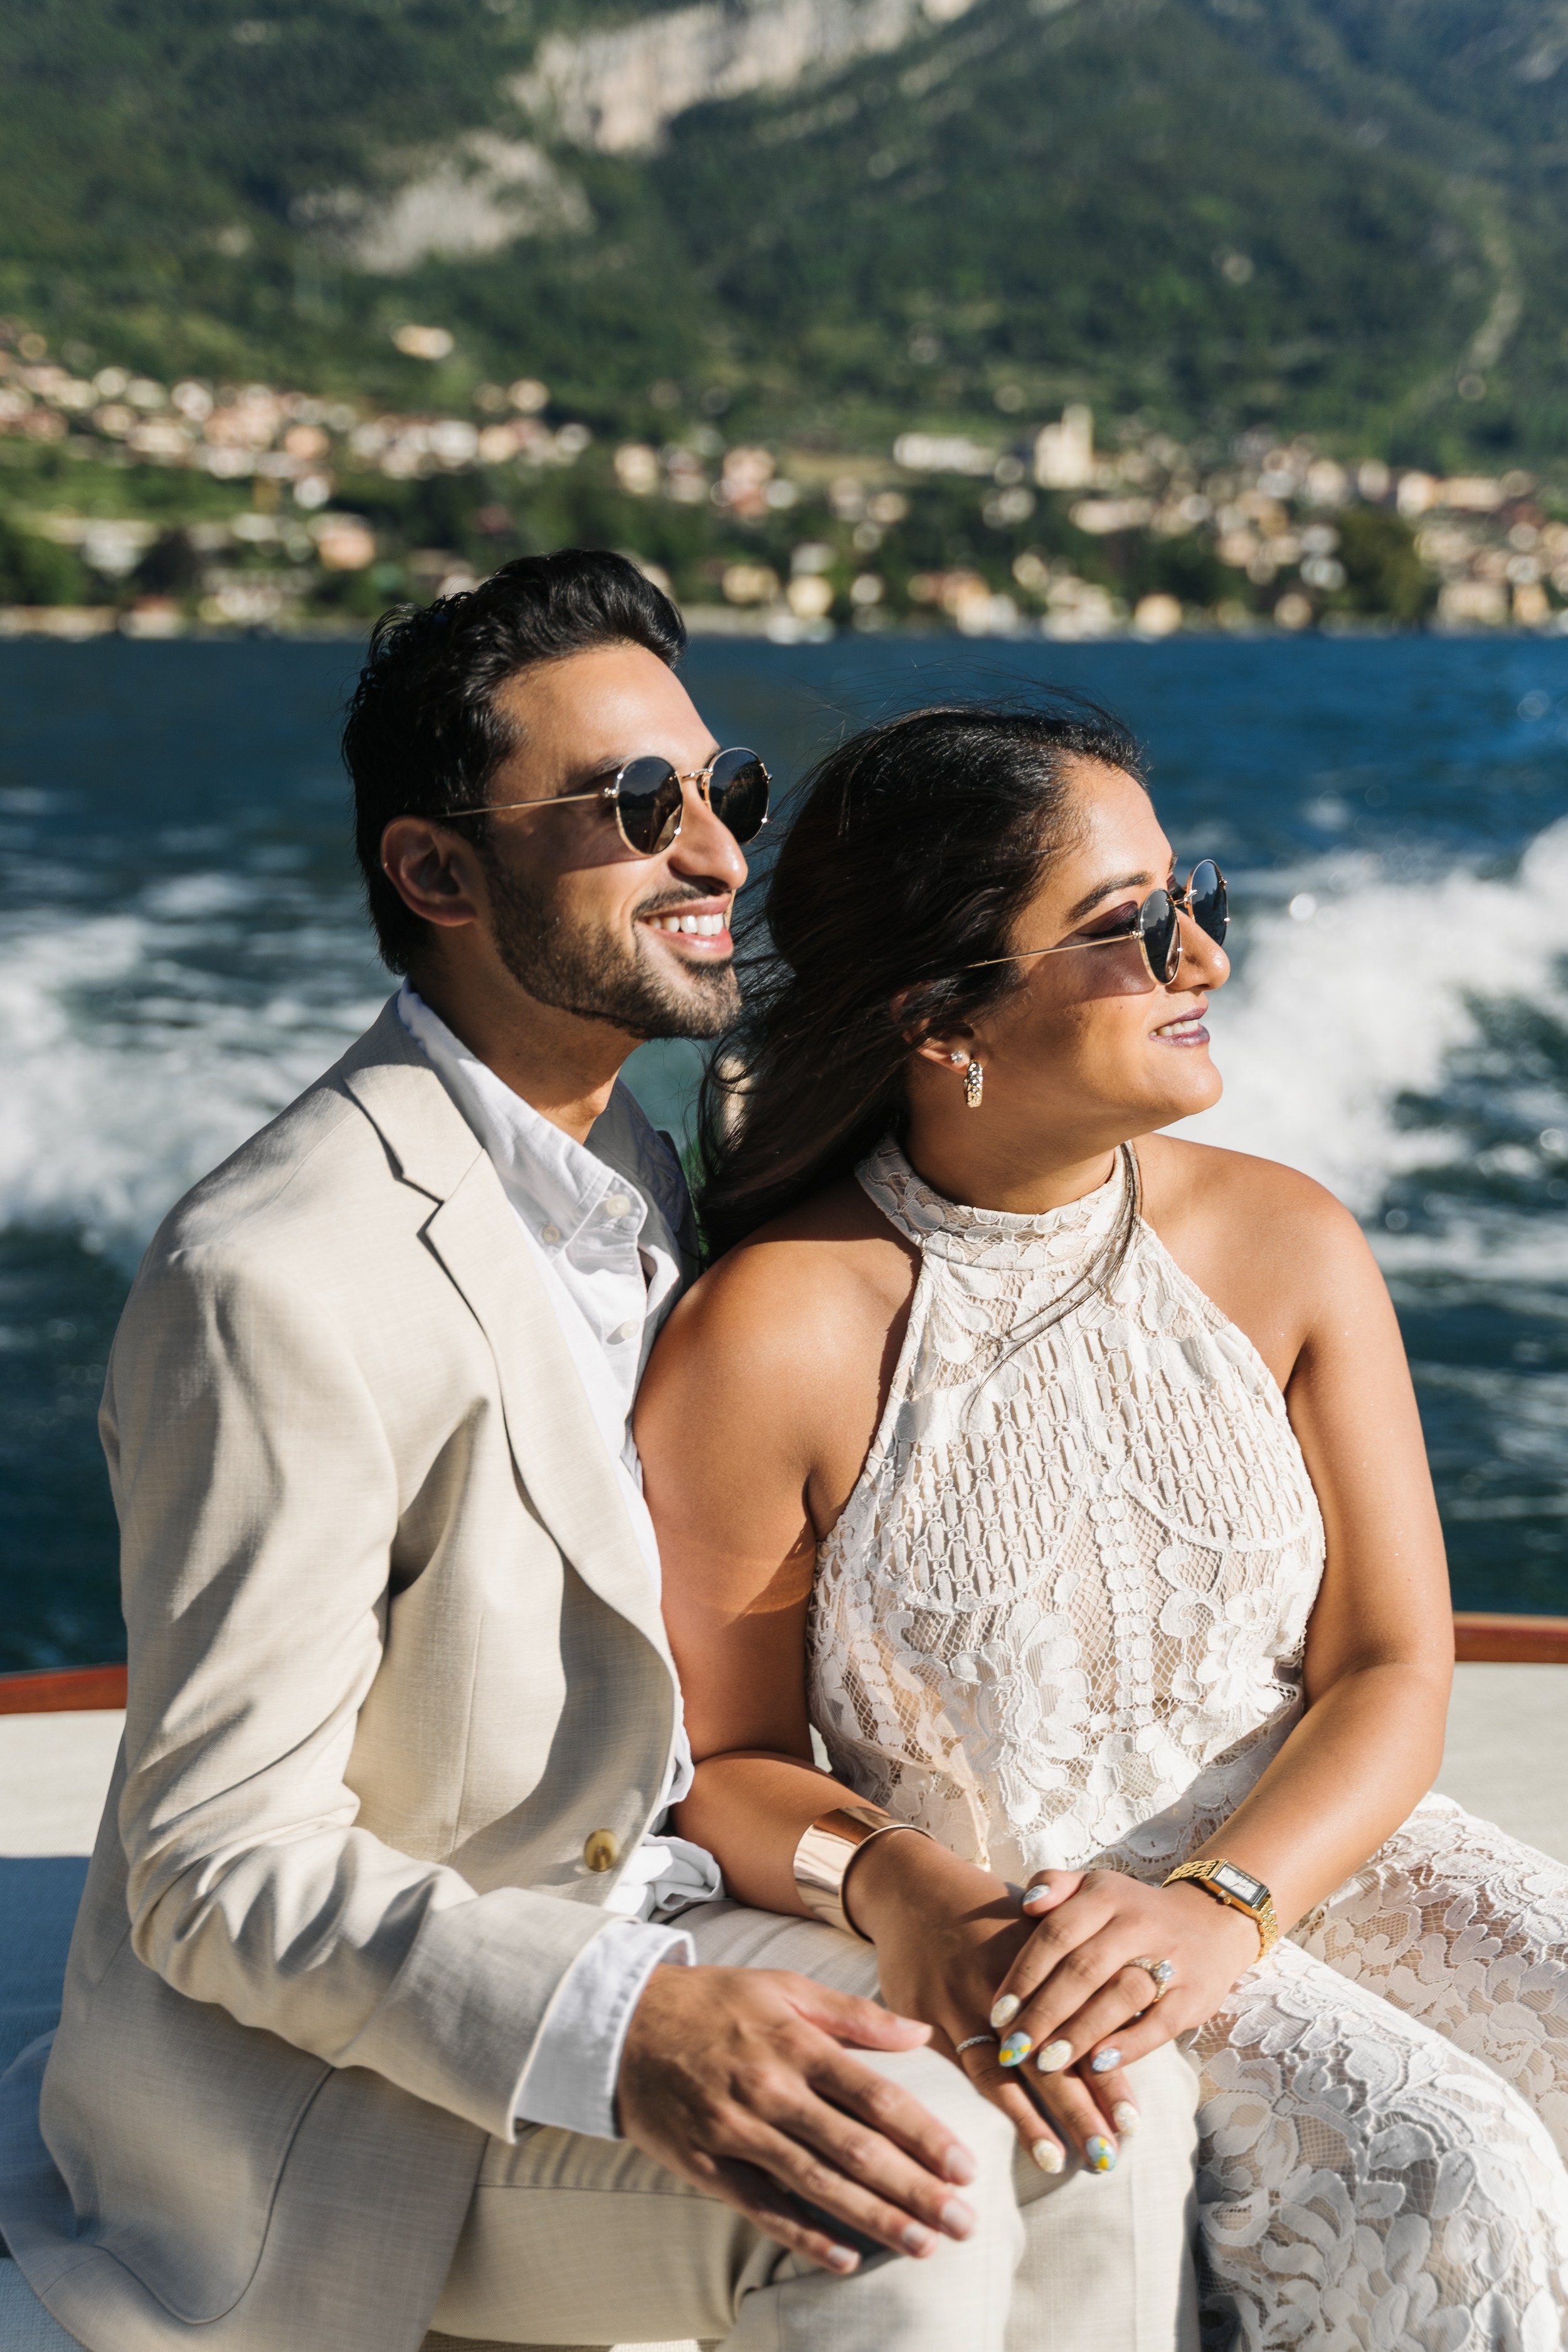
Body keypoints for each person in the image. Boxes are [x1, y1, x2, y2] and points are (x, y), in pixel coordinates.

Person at [0, 566, 1199, 2352]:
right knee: (914, 2196)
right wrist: (619, 2023)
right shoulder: (273, 1275)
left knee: (1089, 2082)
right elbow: (212, 1859)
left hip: (690, 1919)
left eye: (727, 795)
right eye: (641, 809)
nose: (716, 855)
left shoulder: (669, 1161)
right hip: (376, 2098)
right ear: (435, 873)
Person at [636, 697, 1568, 2348]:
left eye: (1187, 894)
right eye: (1129, 927)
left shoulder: (1288, 1246)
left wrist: (1225, 1906)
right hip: (1039, 1939)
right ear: (941, 1015)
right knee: (1454, 2176)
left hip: (1304, 1845)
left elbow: (1387, 1664)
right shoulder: (774, 1335)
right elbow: (720, 1764)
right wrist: (910, 1896)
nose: (1199, 956)